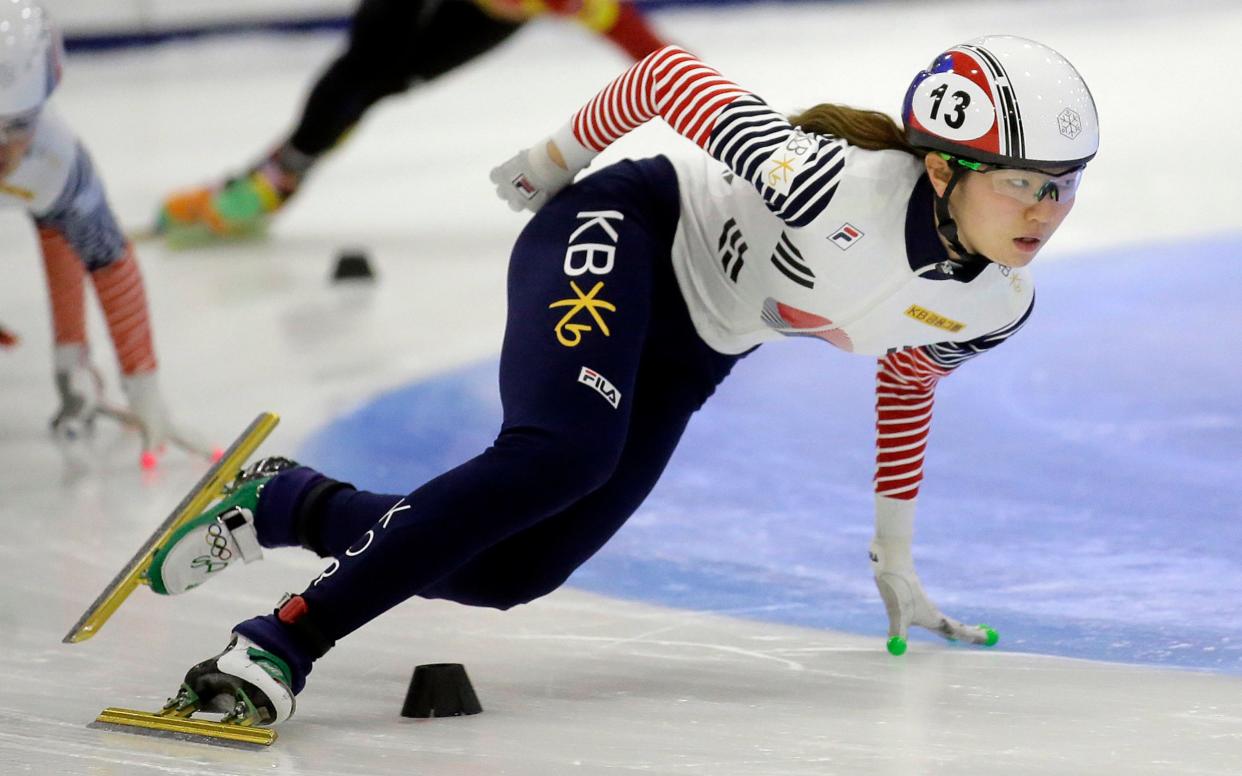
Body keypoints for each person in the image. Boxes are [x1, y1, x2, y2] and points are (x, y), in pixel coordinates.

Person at [146, 36, 1098, 726]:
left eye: (1064, 184)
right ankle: (279, 640)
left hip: (697, 347)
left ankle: (287, 503)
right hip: (624, 229)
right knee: (563, 452)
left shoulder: (995, 305)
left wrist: (895, 553)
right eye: (1022, 182)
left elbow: (906, 378)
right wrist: (552, 162)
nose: (1045, 211)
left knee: (515, 571)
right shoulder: (827, 186)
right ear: (943, 166)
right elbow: (666, 75)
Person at [154, 0, 668, 243]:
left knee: (381, 82)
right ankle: (276, 177)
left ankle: (275, 175)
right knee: (365, 65)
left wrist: (685, 83)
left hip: (484, 17)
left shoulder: (582, 3)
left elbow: (642, 46)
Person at [0, 0, 177, 462]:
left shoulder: (57, 160)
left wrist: (145, 391)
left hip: (52, 188)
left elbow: (108, 259)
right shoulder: (45, 157)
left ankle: (72, 371)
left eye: (17, 124)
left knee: (60, 216)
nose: (1, 148)